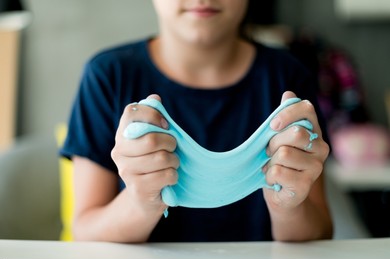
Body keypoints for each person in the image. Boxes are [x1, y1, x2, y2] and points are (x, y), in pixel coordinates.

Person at [60, 0, 333, 243]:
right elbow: (85, 231)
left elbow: (319, 230)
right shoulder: (108, 76)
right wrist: (141, 203)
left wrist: (287, 205)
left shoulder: (289, 76)